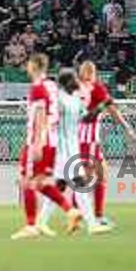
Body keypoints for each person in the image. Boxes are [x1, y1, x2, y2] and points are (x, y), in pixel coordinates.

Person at [11, 53, 82, 240]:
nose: (26, 67)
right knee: (41, 183)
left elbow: (41, 115)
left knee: (26, 180)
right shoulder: (51, 86)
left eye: (28, 64)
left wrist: (38, 142)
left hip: (38, 140)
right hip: (52, 140)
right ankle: (70, 211)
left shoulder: (38, 88)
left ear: (34, 66)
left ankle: (31, 225)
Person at [37, 70, 110, 235]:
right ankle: (92, 224)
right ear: (66, 82)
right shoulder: (59, 100)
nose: (77, 81)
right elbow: (50, 118)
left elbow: (86, 119)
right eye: (73, 79)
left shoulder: (76, 99)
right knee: (80, 185)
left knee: (60, 186)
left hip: (72, 149)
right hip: (61, 150)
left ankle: (41, 222)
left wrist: (100, 107)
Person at [78, 61, 136, 227]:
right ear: (93, 72)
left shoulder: (74, 89)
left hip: (76, 138)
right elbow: (113, 110)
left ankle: (79, 214)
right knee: (98, 177)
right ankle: (95, 216)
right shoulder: (96, 88)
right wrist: (128, 129)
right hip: (89, 140)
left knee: (87, 177)